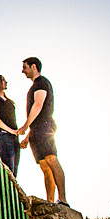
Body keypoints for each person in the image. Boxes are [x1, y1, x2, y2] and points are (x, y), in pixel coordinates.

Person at [17, 57, 68, 206]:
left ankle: (63, 199)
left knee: (51, 159)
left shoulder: (41, 83)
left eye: (24, 67)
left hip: (45, 128)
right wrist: (28, 135)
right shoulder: (33, 86)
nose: (22, 71)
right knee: (44, 165)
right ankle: (50, 202)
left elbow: (38, 106)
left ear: (34, 67)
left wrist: (25, 126)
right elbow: (36, 115)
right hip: (36, 130)